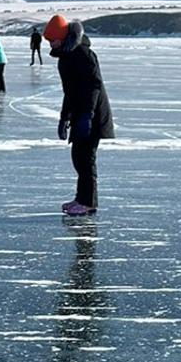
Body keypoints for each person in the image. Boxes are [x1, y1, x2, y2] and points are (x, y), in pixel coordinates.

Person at [43, 13, 114, 216]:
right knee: (79, 157)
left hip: (93, 115)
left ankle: (88, 202)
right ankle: (81, 198)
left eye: (52, 40)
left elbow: (94, 85)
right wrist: (64, 117)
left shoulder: (83, 54)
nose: (50, 44)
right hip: (81, 114)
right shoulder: (66, 57)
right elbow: (70, 92)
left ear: (63, 36)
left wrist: (87, 115)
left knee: (85, 158)